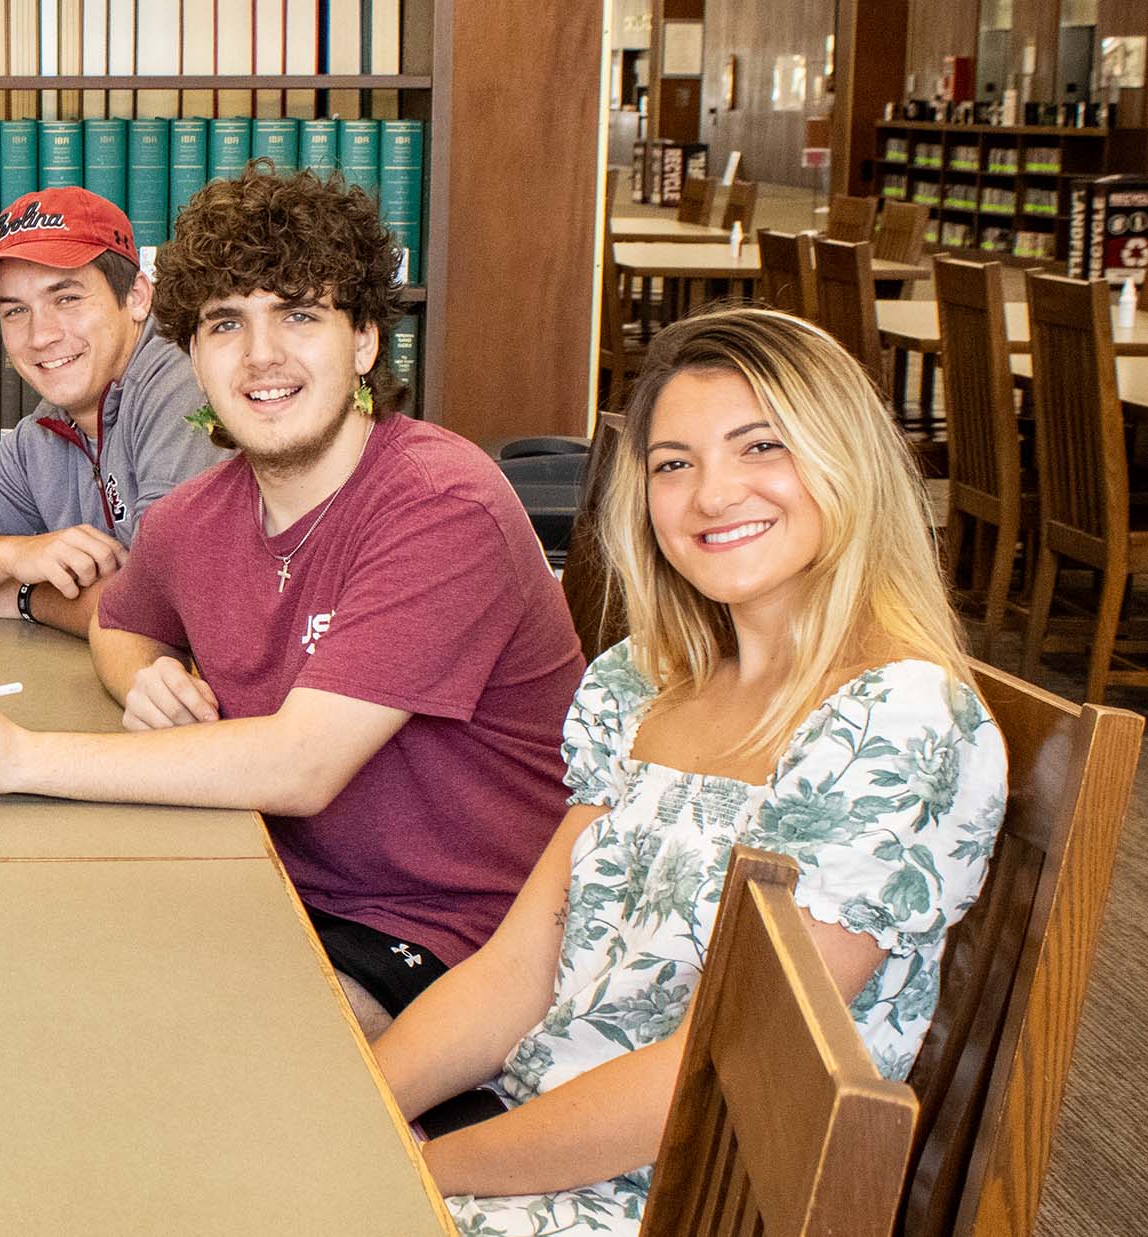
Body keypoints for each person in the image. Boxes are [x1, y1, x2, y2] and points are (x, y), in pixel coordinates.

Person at [0, 170, 580, 1035]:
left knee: (192, 1052)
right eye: (226, 323)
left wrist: (18, 757)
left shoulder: (440, 502)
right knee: (13, 977)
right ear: (191, 353)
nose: (261, 356)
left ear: (365, 340)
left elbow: (301, 766)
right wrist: (142, 671)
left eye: (298, 314)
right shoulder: (196, 516)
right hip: (268, 881)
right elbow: (120, 618)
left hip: (455, 934)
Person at [370, 307, 1004, 1234]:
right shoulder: (642, 680)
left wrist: (422, 1169)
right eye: (674, 463)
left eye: (760, 447)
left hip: (684, 1193)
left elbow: (711, 1068)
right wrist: (357, 1109)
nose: (712, 495)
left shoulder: (897, 719)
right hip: (529, 1134)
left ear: (847, 463)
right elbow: (517, 970)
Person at [0, 187, 226, 636]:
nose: (40, 336)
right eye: (16, 310)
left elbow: (163, 609)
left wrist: (28, 597)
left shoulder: (181, 379)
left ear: (137, 296)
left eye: (67, 298)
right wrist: (12, 554)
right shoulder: (48, 426)